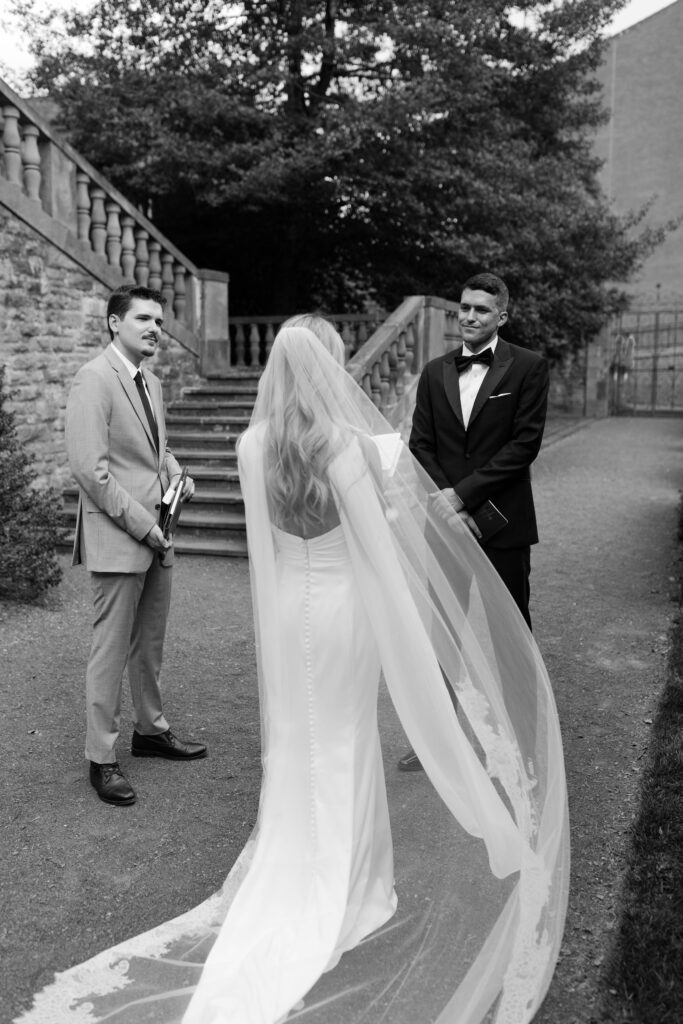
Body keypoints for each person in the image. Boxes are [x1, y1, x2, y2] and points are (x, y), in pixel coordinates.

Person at [19, 317, 568, 1024]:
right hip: (344, 613)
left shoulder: (253, 446)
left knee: (302, 741)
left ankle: (303, 863)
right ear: (328, 372)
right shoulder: (349, 450)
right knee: (344, 740)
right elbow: (378, 552)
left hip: (287, 613)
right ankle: (354, 885)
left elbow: (265, 557)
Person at [398, 272, 549, 772]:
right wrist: (445, 500)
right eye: (464, 307)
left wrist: (461, 495)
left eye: (482, 310)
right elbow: (420, 443)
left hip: (502, 523)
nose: (469, 316)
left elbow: (523, 447)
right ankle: (436, 739)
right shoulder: (435, 370)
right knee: (441, 632)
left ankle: (525, 741)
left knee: (510, 632)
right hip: (443, 525)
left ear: (501, 316)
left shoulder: (527, 367)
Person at [65, 284, 206, 808]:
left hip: (157, 533)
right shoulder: (93, 380)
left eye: (160, 322)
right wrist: (145, 525)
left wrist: (177, 475)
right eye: (144, 318)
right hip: (122, 534)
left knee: (149, 643)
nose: (155, 328)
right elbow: (90, 470)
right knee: (109, 650)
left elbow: (157, 450)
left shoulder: (151, 382)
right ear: (114, 323)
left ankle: (150, 730)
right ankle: (100, 758)